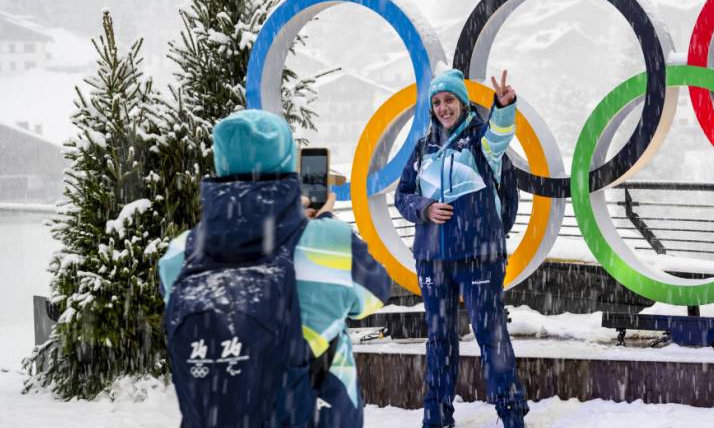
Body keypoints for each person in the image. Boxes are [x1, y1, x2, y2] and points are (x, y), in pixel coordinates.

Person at [159, 109, 392, 428]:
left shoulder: (179, 254)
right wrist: (321, 223)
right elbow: (375, 294)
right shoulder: (327, 243)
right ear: (285, 162)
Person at [395, 68, 529, 428]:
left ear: (462, 102)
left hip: (478, 257)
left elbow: (501, 135)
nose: (443, 108)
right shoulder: (424, 147)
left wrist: (503, 107)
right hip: (432, 261)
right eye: (437, 102)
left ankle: (511, 413)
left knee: (491, 335)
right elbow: (402, 195)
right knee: (439, 340)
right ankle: (436, 416)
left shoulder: (480, 142)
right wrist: (424, 209)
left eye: (449, 100)